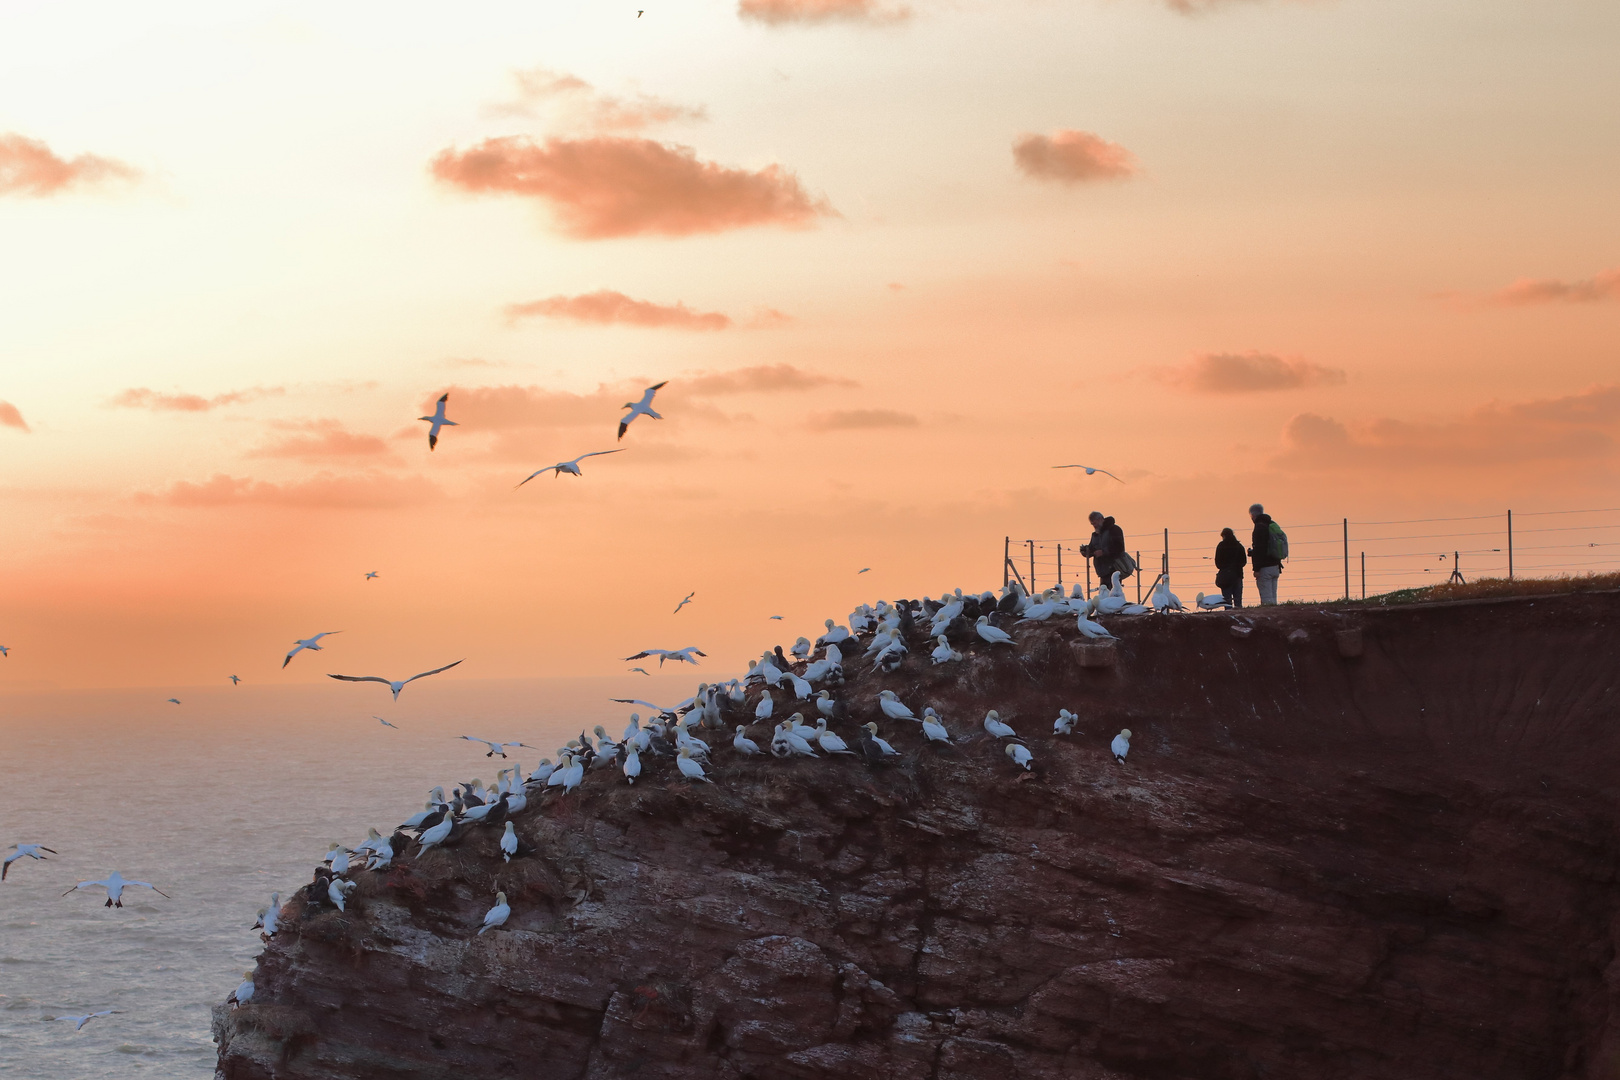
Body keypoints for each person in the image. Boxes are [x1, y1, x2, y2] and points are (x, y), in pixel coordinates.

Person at [1080, 511, 1130, 588]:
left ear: (1100, 519)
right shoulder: (1095, 534)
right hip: (1102, 570)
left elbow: (1119, 547)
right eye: (1092, 524)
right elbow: (1092, 548)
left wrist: (1103, 552)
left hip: (1114, 567)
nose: (1094, 526)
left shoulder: (1114, 529)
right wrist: (1086, 551)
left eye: (1095, 523)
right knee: (1105, 593)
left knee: (1111, 593)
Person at [1249, 503, 1282, 605]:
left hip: (1265, 568)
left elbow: (1259, 550)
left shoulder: (1259, 528)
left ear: (1253, 515)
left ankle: (1269, 618)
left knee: (1266, 599)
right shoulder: (1271, 524)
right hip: (1276, 566)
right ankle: (1275, 616)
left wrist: (1256, 569)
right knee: (1273, 597)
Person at [1214, 527, 1246, 608]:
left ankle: (1229, 615)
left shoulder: (1221, 546)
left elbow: (1218, 563)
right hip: (1238, 574)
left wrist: (1225, 568)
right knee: (1238, 599)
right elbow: (1244, 561)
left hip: (1225, 577)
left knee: (1227, 600)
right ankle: (1239, 615)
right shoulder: (1239, 546)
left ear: (1223, 536)